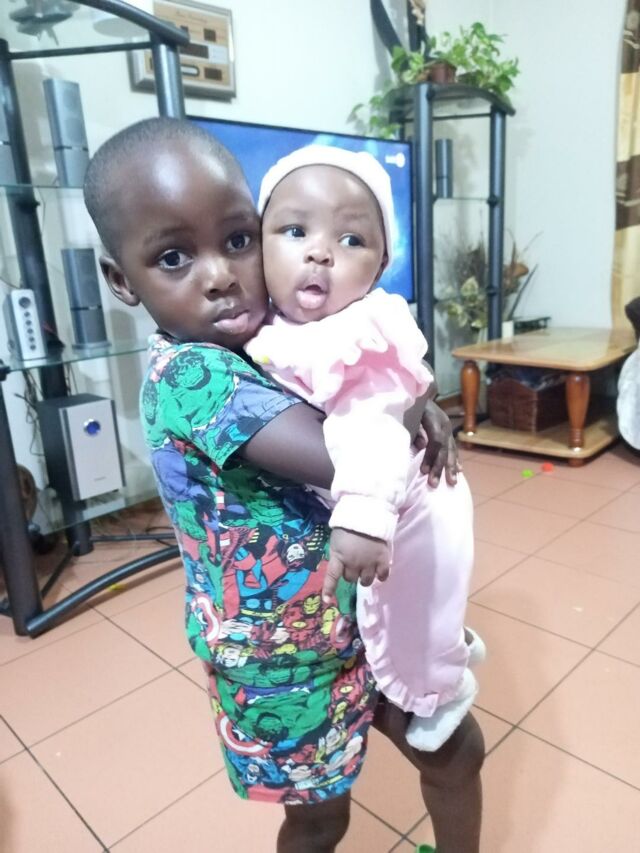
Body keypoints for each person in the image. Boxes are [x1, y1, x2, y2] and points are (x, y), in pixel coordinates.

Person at [83, 117, 484, 853]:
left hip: (361, 617)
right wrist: (407, 404)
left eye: (238, 239)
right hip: (282, 663)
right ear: (121, 280)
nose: (219, 274)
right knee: (320, 819)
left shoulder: (274, 339)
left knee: (456, 750)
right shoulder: (192, 376)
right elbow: (344, 452)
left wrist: (411, 395)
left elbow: (362, 383)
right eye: (173, 257)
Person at [246, 145, 483, 752]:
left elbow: (373, 424)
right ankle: (451, 645)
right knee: (427, 605)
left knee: (409, 610)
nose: (320, 252)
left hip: (411, 505)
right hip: (393, 492)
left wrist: (365, 517)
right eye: (295, 231)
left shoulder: (358, 333)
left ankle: (441, 693)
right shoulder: (283, 326)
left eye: (350, 240)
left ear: (378, 269)